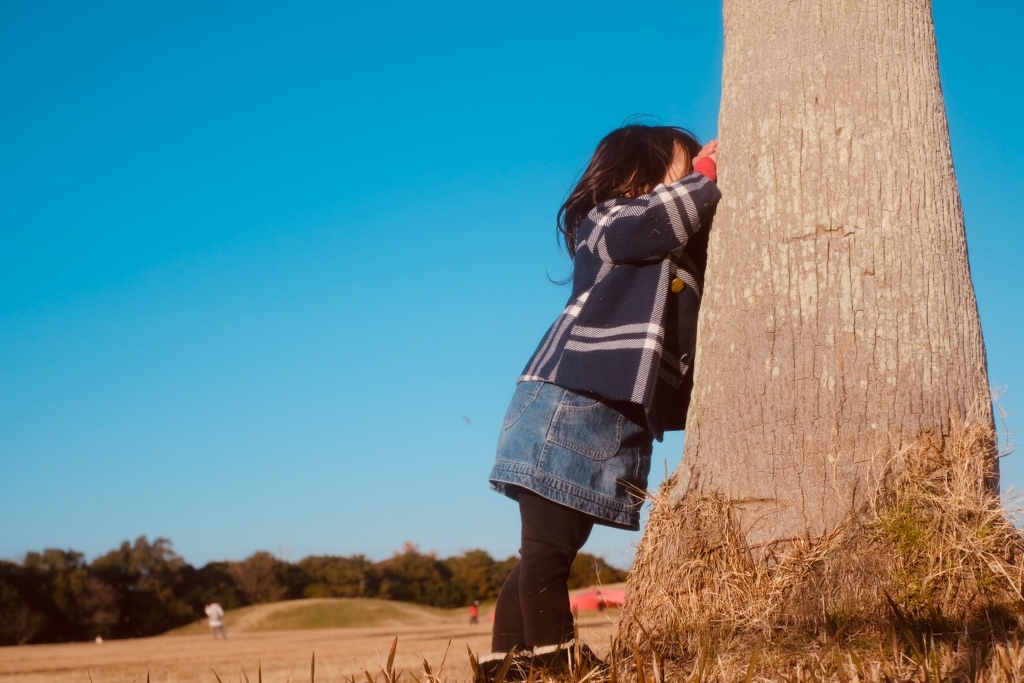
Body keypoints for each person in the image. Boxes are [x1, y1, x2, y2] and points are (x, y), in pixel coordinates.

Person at [483, 124, 720, 677]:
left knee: (546, 549)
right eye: (681, 170)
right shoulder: (609, 223)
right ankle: (553, 657)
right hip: (569, 400)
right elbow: (658, 220)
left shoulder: (672, 254)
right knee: (547, 552)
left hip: (598, 411)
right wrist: (710, 173)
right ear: (635, 176)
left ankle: (504, 666)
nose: (690, 180)